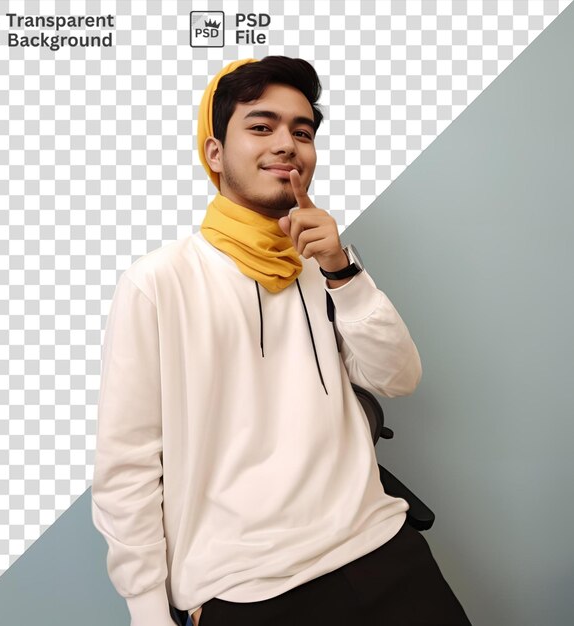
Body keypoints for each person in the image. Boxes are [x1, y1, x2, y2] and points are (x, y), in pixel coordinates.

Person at [91, 56, 471, 626]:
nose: (287, 144)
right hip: (248, 591)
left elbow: (398, 377)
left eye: (302, 131)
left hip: (381, 549)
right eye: (261, 126)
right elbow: (127, 466)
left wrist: (344, 269)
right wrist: (148, 613)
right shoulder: (160, 281)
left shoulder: (321, 262)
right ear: (215, 153)